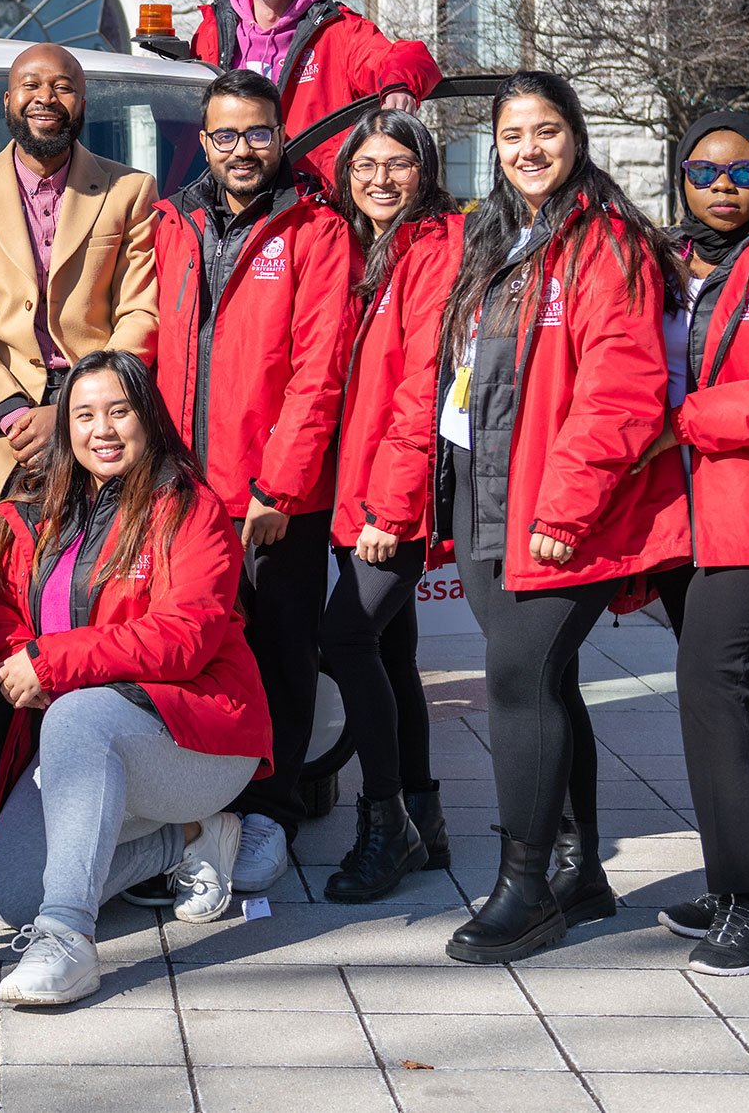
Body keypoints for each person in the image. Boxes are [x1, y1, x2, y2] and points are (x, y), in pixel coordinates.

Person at [435, 71, 689, 965]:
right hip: (485, 492)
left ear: (576, 137)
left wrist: (567, 509)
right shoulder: (500, 236)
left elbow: (623, 393)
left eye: (546, 131)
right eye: (512, 136)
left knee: (518, 683)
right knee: (547, 684)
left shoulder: (606, 244)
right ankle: (582, 873)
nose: (529, 149)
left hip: (551, 504)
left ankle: (527, 888)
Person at [0, 351, 271, 1007]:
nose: (101, 429)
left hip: (196, 738)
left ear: (147, 417)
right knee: (10, 893)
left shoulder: (188, 506)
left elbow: (185, 638)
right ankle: (193, 839)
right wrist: (22, 661)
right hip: (89, 743)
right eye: (83, 414)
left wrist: (54, 665)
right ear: (65, 427)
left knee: (78, 713)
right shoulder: (35, 506)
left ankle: (69, 940)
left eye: (118, 410)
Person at [149, 67, 358, 894]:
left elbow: (319, 370)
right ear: (204, 141)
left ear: (282, 135)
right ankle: (197, 807)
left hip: (273, 497)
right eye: (227, 135)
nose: (243, 149)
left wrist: (280, 487)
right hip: (181, 492)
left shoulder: (314, 229)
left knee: (279, 654)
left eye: (259, 133)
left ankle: (272, 811)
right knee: (188, 652)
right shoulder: (173, 221)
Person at [0, 41, 161, 765]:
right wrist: (6, 411)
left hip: (96, 418)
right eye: (31, 84)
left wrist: (75, 408)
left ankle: (94, 767)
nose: (45, 97)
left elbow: (141, 315)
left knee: (89, 611)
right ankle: (10, 799)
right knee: (9, 616)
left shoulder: (130, 192)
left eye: (63, 85)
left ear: (82, 101)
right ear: (8, 100)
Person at [626, 112, 749, 974]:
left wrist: (682, 422)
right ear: (681, 178)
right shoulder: (670, 256)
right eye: (704, 172)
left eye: (743, 172)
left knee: (712, 682)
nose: (724, 187)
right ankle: (736, 876)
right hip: (683, 516)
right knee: (729, 701)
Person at [315, 109, 462, 902]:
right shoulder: (370, 247)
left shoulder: (433, 250)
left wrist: (389, 508)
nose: (380, 178)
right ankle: (426, 816)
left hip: (388, 493)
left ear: (425, 170)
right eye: (365, 165)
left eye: (398, 163)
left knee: (346, 638)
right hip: (356, 485)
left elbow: (424, 386)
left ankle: (385, 824)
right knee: (394, 649)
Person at [190, 0, 442, 181]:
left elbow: (405, 57)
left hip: (314, 204)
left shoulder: (338, 30)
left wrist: (400, 84)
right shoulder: (211, 31)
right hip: (232, 197)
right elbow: (184, 125)